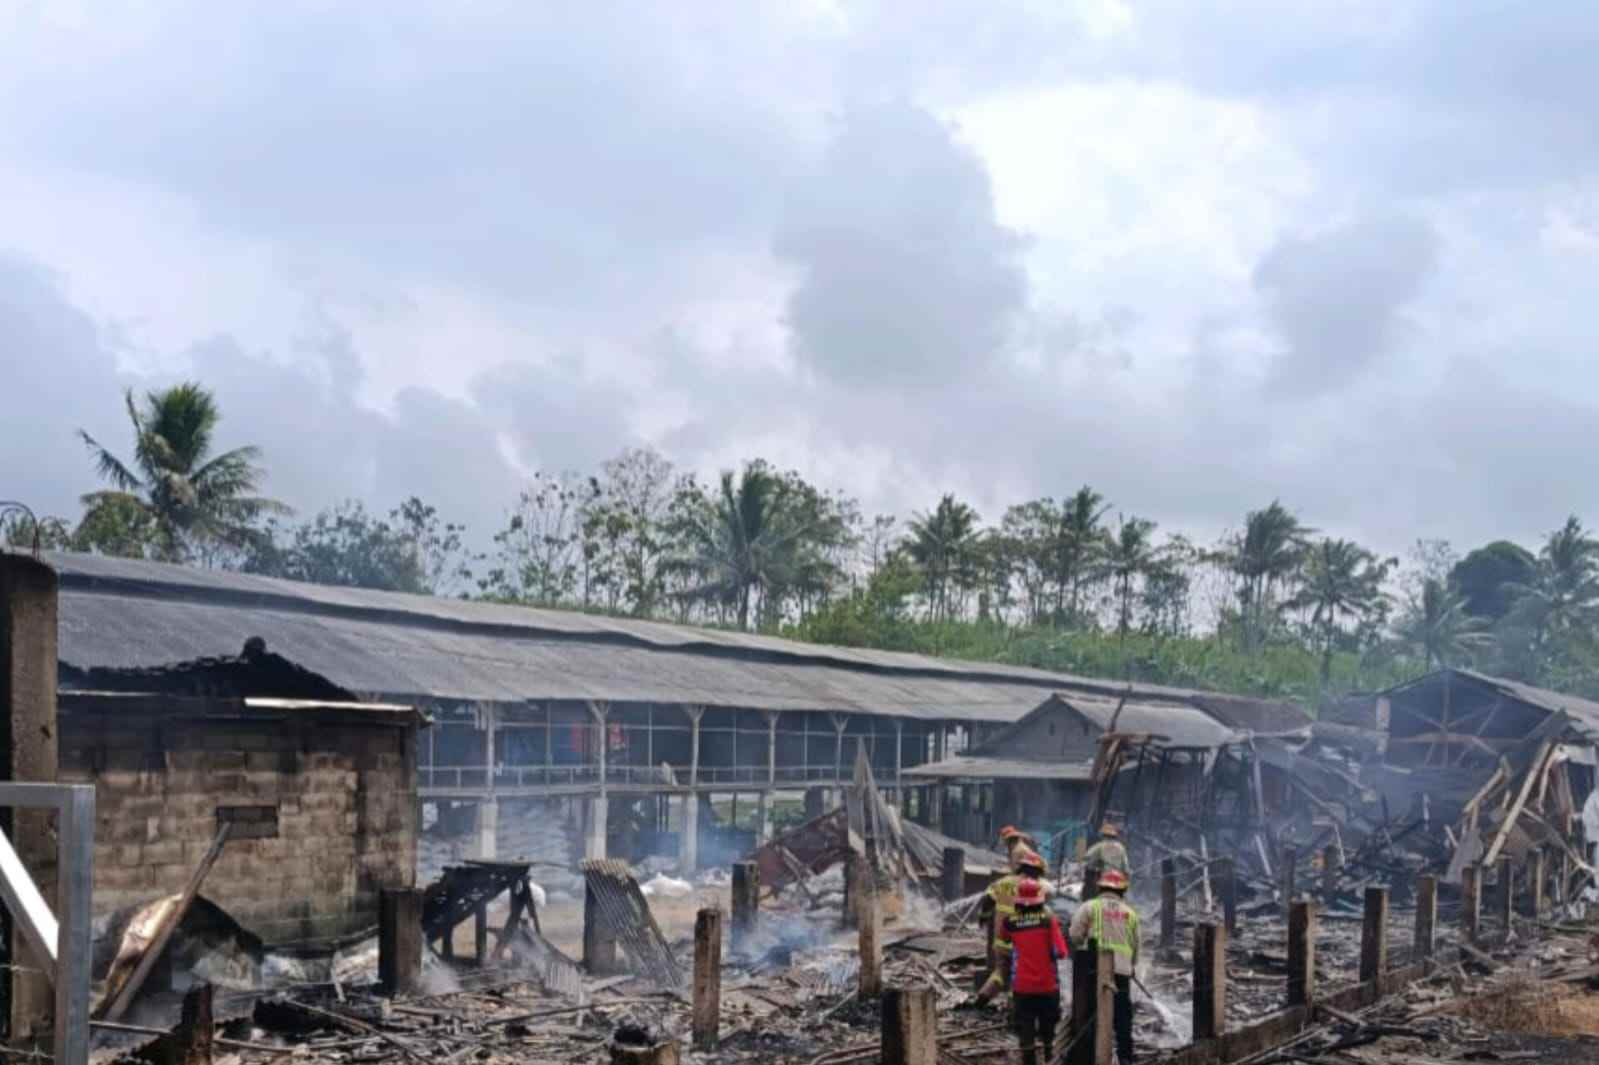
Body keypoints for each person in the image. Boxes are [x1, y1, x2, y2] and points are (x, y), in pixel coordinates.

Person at [1068, 867, 1140, 1064]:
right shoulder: (1130, 914)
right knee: (1123, 1019)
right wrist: (1129, 965)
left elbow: (1074, 936)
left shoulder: (1089, 907)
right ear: (1122, 891)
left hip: (1094, 972)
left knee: (1092, 1015)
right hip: (1122, 974)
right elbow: (1136, 948)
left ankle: (1090, 1057)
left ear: (1100, 888)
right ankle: (1125, 1058)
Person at [997, 877, 1068, 1065]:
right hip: (1047, 986)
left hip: (1022, 987)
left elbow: (1003, 938)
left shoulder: (1010, 922)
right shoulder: (1048, 920)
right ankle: (1049, 1059)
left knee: (1025, 1032)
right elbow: (1061, 952)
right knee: (1048, 1034)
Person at [975, 847, 1052, 1005]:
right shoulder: (1035, 887)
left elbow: (987, 900)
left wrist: (983, 918)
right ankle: (1013, 1007)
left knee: (1000, 971)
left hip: (1000, 937)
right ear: (1036, 871)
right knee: (1020, 973)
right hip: (1022, 937)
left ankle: (983, 996)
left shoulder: (1003, 882)